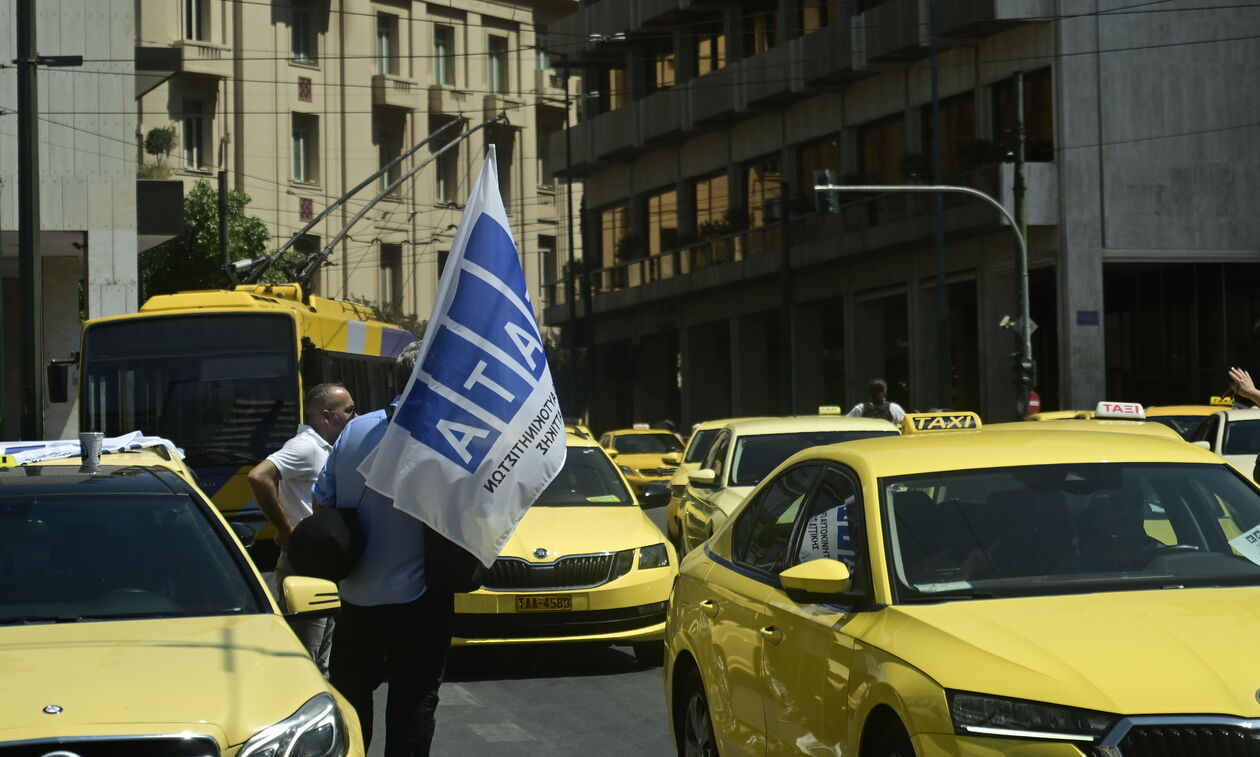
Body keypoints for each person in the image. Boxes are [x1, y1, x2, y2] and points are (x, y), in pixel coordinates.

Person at [312, 340, 450, 757]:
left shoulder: (355, 429)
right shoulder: (446, 434)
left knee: (352, 699)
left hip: (357, 593)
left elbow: (322, 504)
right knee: (413, 701)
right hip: (420, 598)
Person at [246, 382, 357, 675]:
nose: (354, 417)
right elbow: (259, 477)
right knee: (304, 661)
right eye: (349, 411)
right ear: (326, 416)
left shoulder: (328, 448)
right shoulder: (306, 446)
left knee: (323, 659)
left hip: (326, 562)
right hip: (305, 564)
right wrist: (284, 529)